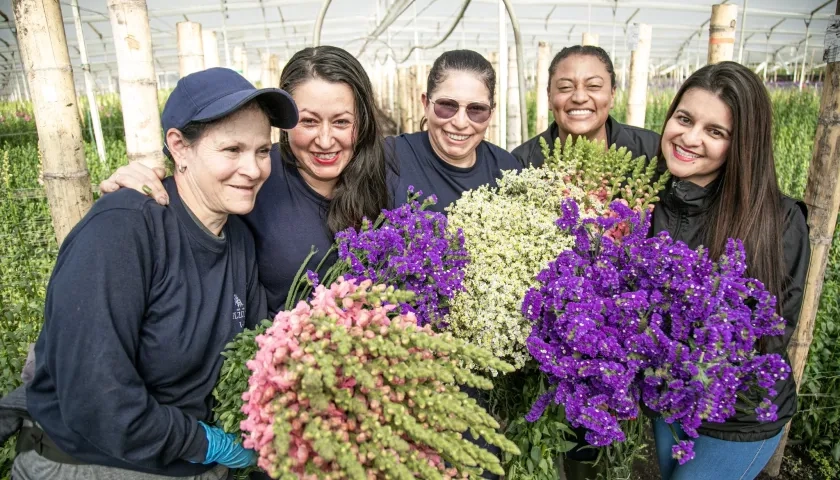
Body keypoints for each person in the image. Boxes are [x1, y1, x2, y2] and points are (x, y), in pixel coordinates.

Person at [12, 68, 298, 479]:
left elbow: (253, 352)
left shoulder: (237, 238)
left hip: (185, 459)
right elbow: (97, 396)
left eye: (261, 151)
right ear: (179, 148)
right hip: (97, 462)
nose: (252, 169)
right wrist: (203, 443)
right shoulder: (123, 229)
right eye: (231, 150)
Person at [100, 46, 391, 316]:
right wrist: (130, 193)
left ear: (362, 121)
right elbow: (193, 188)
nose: (325, 140)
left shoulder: (389, 169)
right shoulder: (254, 179)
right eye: (309, 121)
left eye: (341, 122)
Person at [650, 61, 810, 480]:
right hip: (669, 398)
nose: (689, 137)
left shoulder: (777, 220)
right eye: (684, 119)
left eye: (715, 131)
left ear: (741, 145)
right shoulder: (650, 197)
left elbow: (772, 331)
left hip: (736, 416)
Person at [388, 49, 522, 212]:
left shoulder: (507, 169)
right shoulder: (390, 159)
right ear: (426, 104)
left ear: (491, 113)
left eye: (476, 109)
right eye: (447, 106)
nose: (460, 122)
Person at [511, 45, 659, 168]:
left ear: (612, 95)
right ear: (549, 96)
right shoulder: (521, 163)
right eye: (565, 87)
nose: (579, 97)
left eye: (594, 86)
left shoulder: (652, 150)